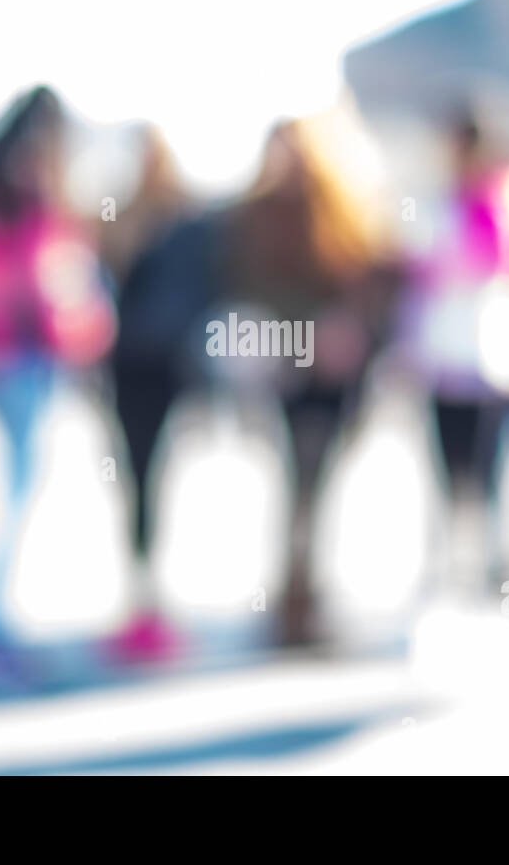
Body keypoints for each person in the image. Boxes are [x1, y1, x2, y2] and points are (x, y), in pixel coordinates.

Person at [111, 106, 397, 654]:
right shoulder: (252, 219)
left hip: (335, 369)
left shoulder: (347, 211)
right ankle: (291, 600)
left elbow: (372, 277)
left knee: (318, 481)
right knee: (294, 476)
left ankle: (306, 594)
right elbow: (243, 285)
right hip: (288, 363)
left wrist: (348, 330)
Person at [0, 87, 115, 678]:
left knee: (13, 489)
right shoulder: (30, 190)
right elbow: (41, 283)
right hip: (21, 355)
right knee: (19, 491)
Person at [396, 102, 509, 593]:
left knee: (495, 461)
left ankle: (496, 558)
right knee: (450, 463)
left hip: (494, 354)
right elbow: (415, 270)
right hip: (444, 353)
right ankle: (455, 559)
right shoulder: (436, 203)